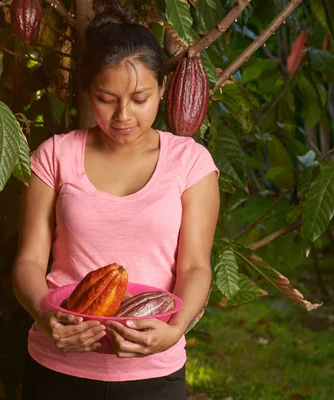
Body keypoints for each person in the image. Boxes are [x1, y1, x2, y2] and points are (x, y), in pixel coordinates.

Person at [12, 1, 220, 399]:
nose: (123, 114)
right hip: (59, 365)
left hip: (152, 371)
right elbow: (29, 261)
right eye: (107, 99)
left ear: (162, 88)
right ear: (88, 91)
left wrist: (175, 329)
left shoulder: (191, 163)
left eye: (140, 98)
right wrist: (46, 316)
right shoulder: (55, 155)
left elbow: (195, 266)